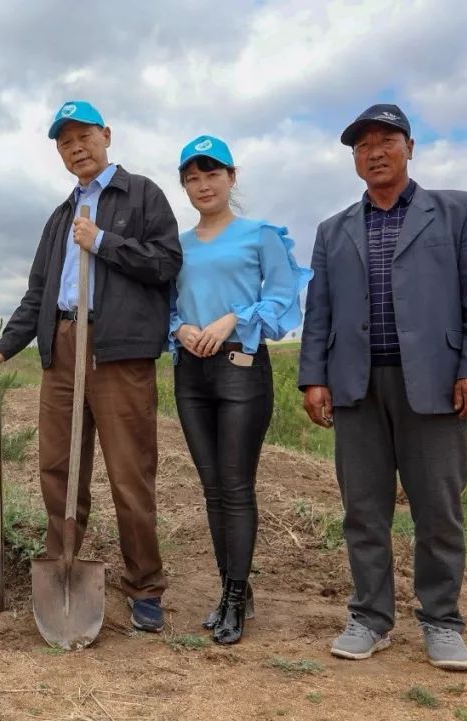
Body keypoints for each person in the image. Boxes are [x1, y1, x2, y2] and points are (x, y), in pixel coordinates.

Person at [299, 104, 467, 671]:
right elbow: (321, 310)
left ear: (410, 147)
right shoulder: (333, 229)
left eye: (387, 140)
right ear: (355, 159)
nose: (375, 152)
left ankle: (441, 620)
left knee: (438, 509)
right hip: (356, 387)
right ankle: (369, 617)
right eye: (363, 146)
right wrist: (313, 376)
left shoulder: (461, 211)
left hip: (436, 385)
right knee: (363, 509)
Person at [0, 100, 182, 632]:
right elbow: (39, 294)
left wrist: (105, 243)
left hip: (117, 352)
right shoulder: (60, 215)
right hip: (63, 349)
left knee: (129, 472)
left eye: (83, 136)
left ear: (106, 135)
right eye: (65, 142)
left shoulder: (142, 195)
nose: (75, 148)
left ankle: (145, 585)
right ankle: (63, 569)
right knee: (58, 470)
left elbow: (165, 264)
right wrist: (6, 346)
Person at [169, 135, 311, 644]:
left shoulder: (260, 236)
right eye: (192, 177)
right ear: (184, 185)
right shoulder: (177, 245)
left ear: (232, 178)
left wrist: (233, 317)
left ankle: (234, 593)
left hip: (241, 369)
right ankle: (233, 586)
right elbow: (166, 304)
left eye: (212, 174)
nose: (202, 185)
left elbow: (281, 300)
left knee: (235, 485)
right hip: (190, 372)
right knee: (211, 489)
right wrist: (179, 328)